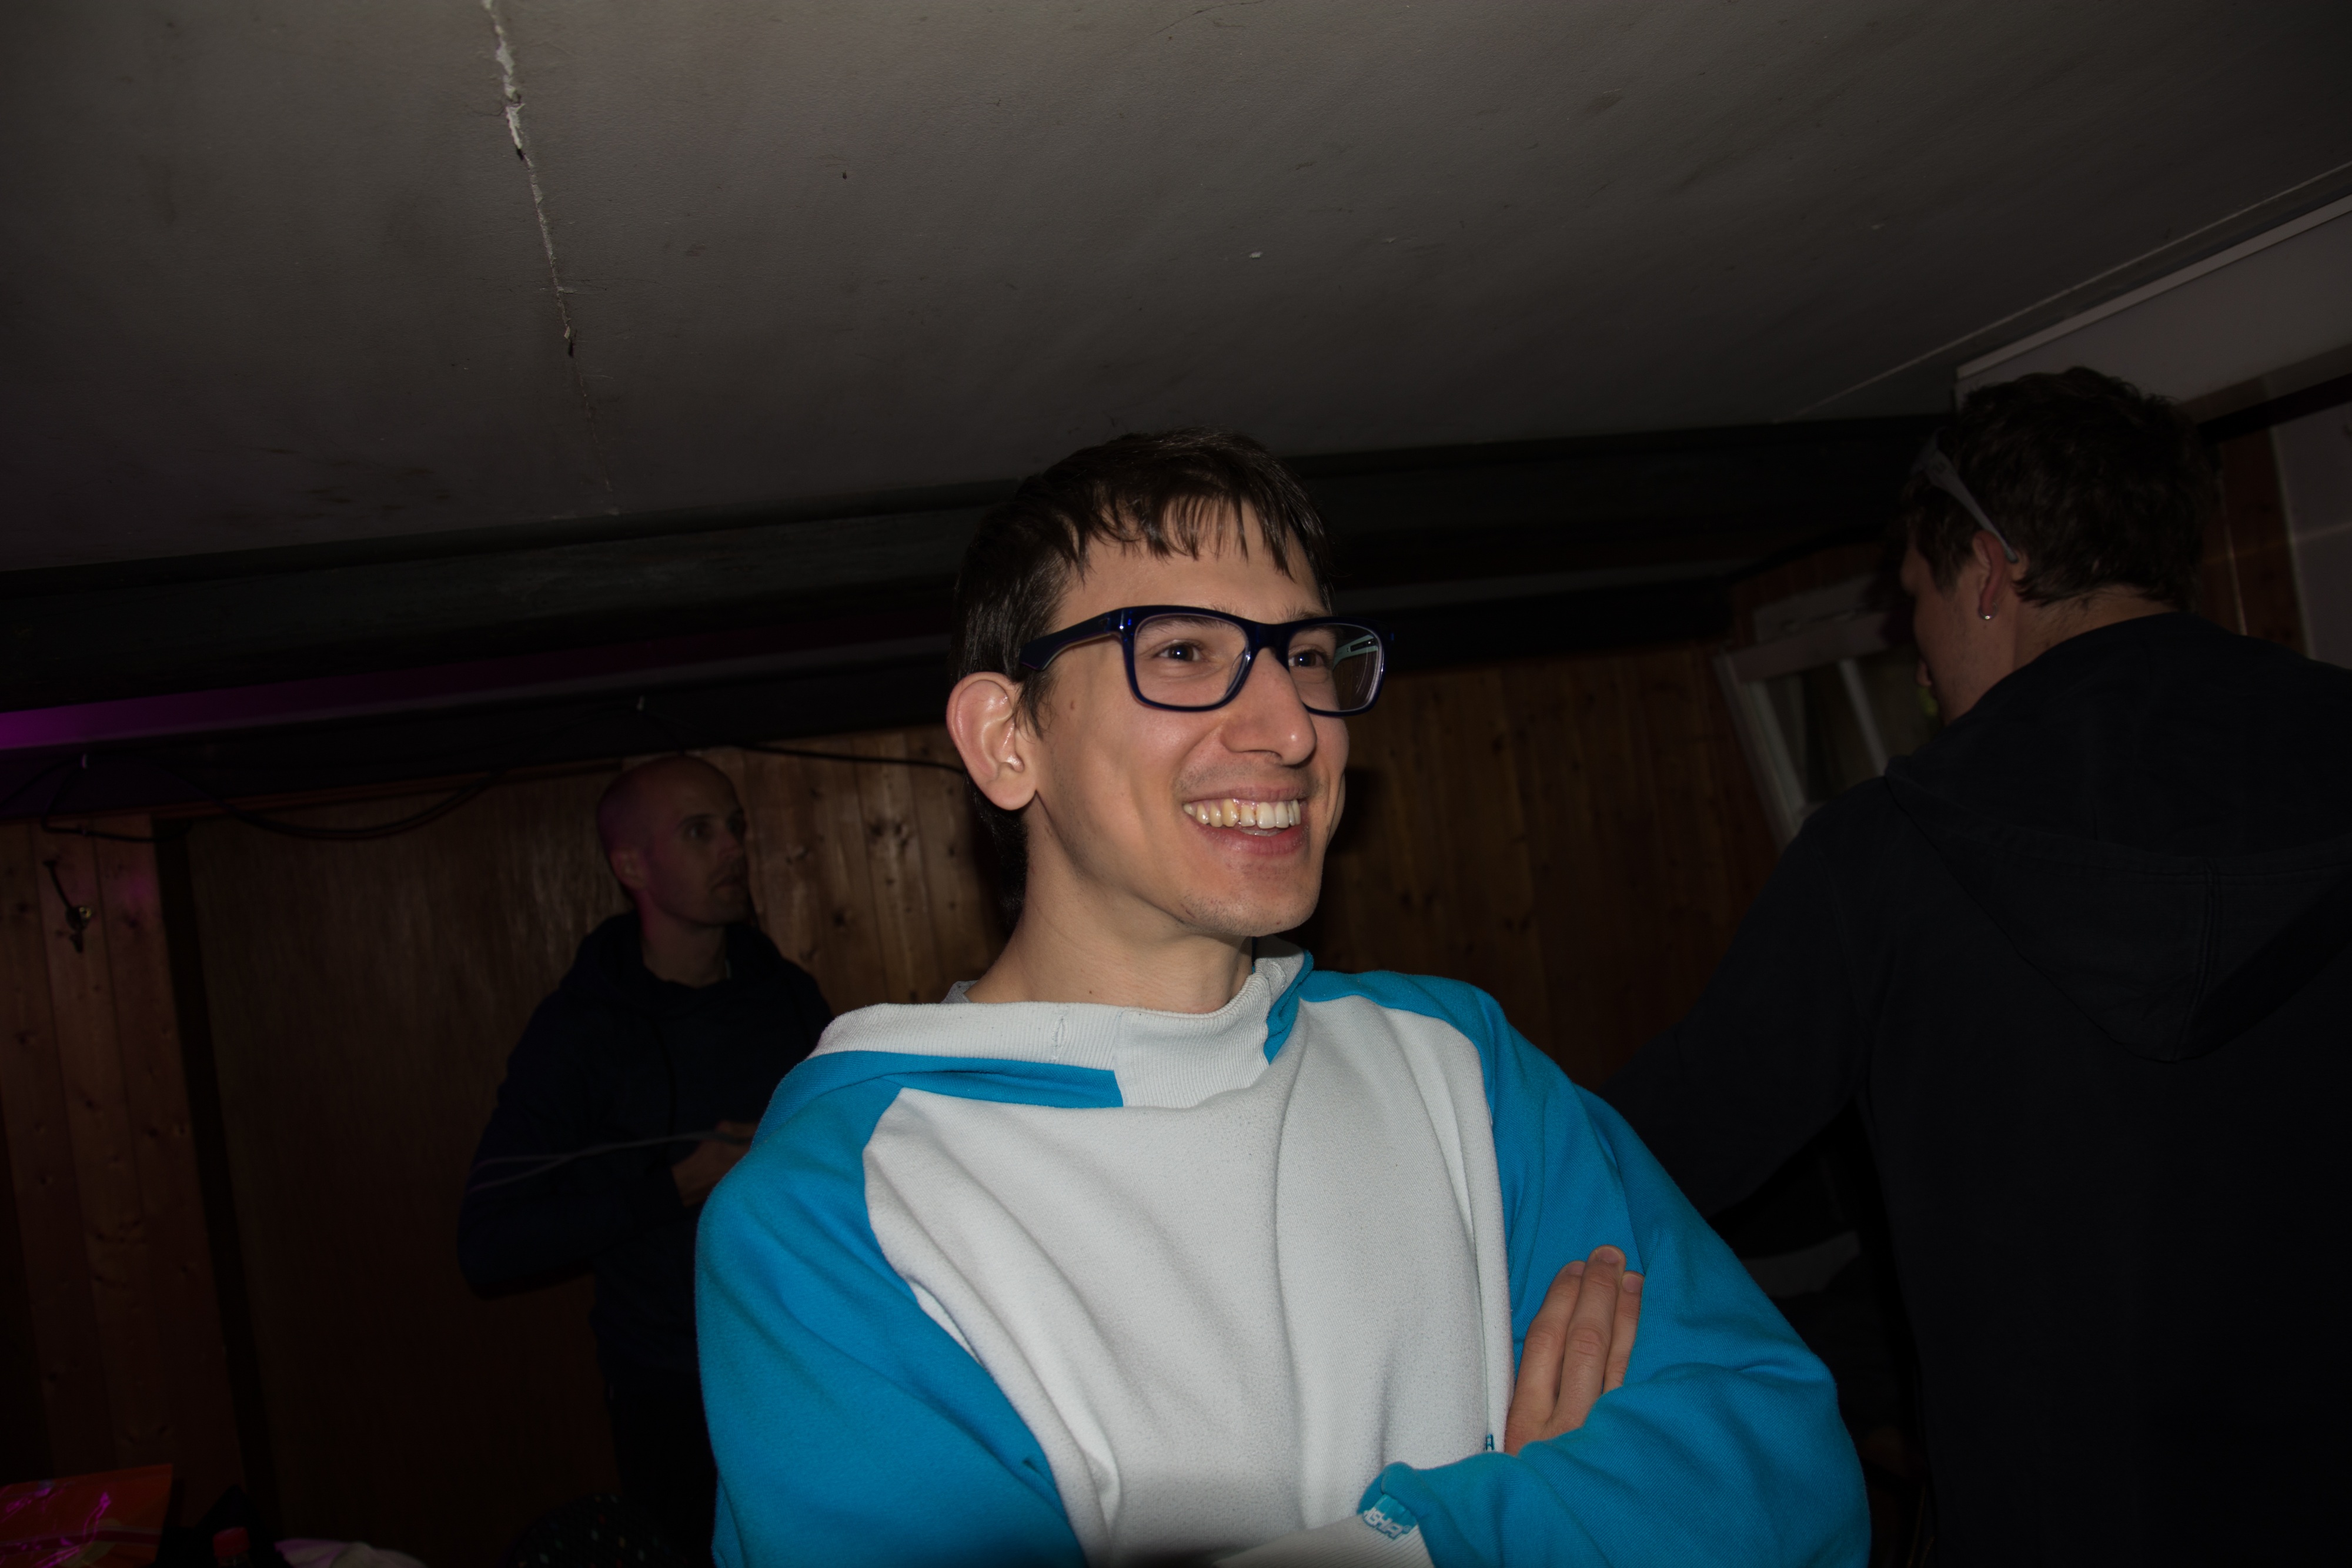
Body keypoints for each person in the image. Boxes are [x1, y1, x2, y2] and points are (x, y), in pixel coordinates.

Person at [694, 430, 1866, 1567]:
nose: (1295, 728)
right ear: (1007, 740)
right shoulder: (834, 1216)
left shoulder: (1457, 1062)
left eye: (1306, 655)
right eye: (1182, 652)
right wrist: (1517, 1522)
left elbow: (1786, 1470)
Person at [1603, 368, 2352, 1563]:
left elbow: (1659, 1145)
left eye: (1915, 598)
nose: (1917, 649)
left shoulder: (1886, 851)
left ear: (1991, 573)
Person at [460, 755, 832, 1563]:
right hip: (672, 1390)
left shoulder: (786, 996)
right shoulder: (580, 1034)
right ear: (631, 866)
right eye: (699, 832)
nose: (732, 847)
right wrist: (677, 1187)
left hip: (808, 1363)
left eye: (735, 825)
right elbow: (488, 1242)